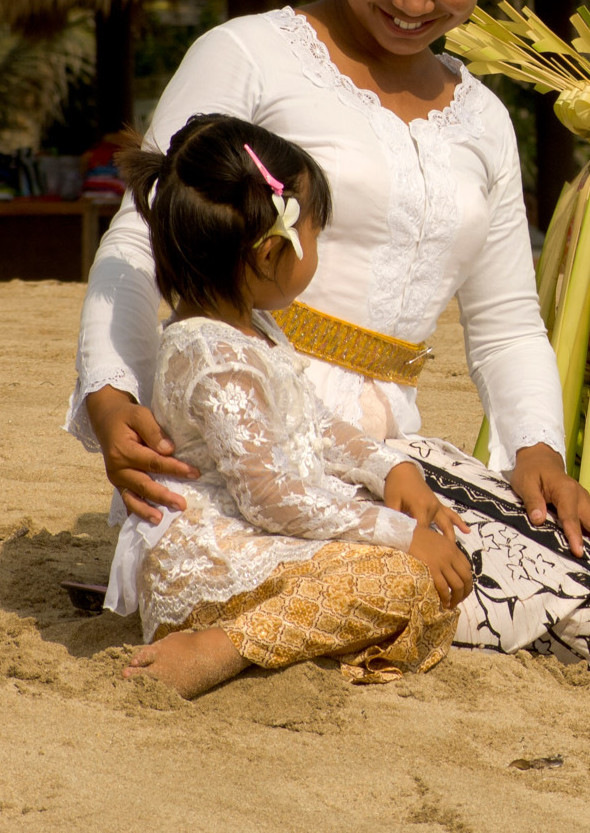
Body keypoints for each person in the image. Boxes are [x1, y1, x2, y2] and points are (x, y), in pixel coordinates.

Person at [69, 0, 590, 669]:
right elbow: (141, 235)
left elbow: (503, 322)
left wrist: (538, 449)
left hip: (380, 451)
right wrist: (111, 400)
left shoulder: (484, 118)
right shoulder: (251, 56)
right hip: (247, 454)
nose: (417, 4)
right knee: (529, 602)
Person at [113, 116, 474, 697]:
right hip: (221, 560)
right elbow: (268, 497)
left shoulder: (253, 329)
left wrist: (388, 469)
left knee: (426, 566)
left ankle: (279, 628)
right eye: (316, 234)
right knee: (402, 581)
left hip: (269, 534)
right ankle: (220, 645)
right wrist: (397, 533)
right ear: (267, 253)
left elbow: (314, 424)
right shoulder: (213, 357)